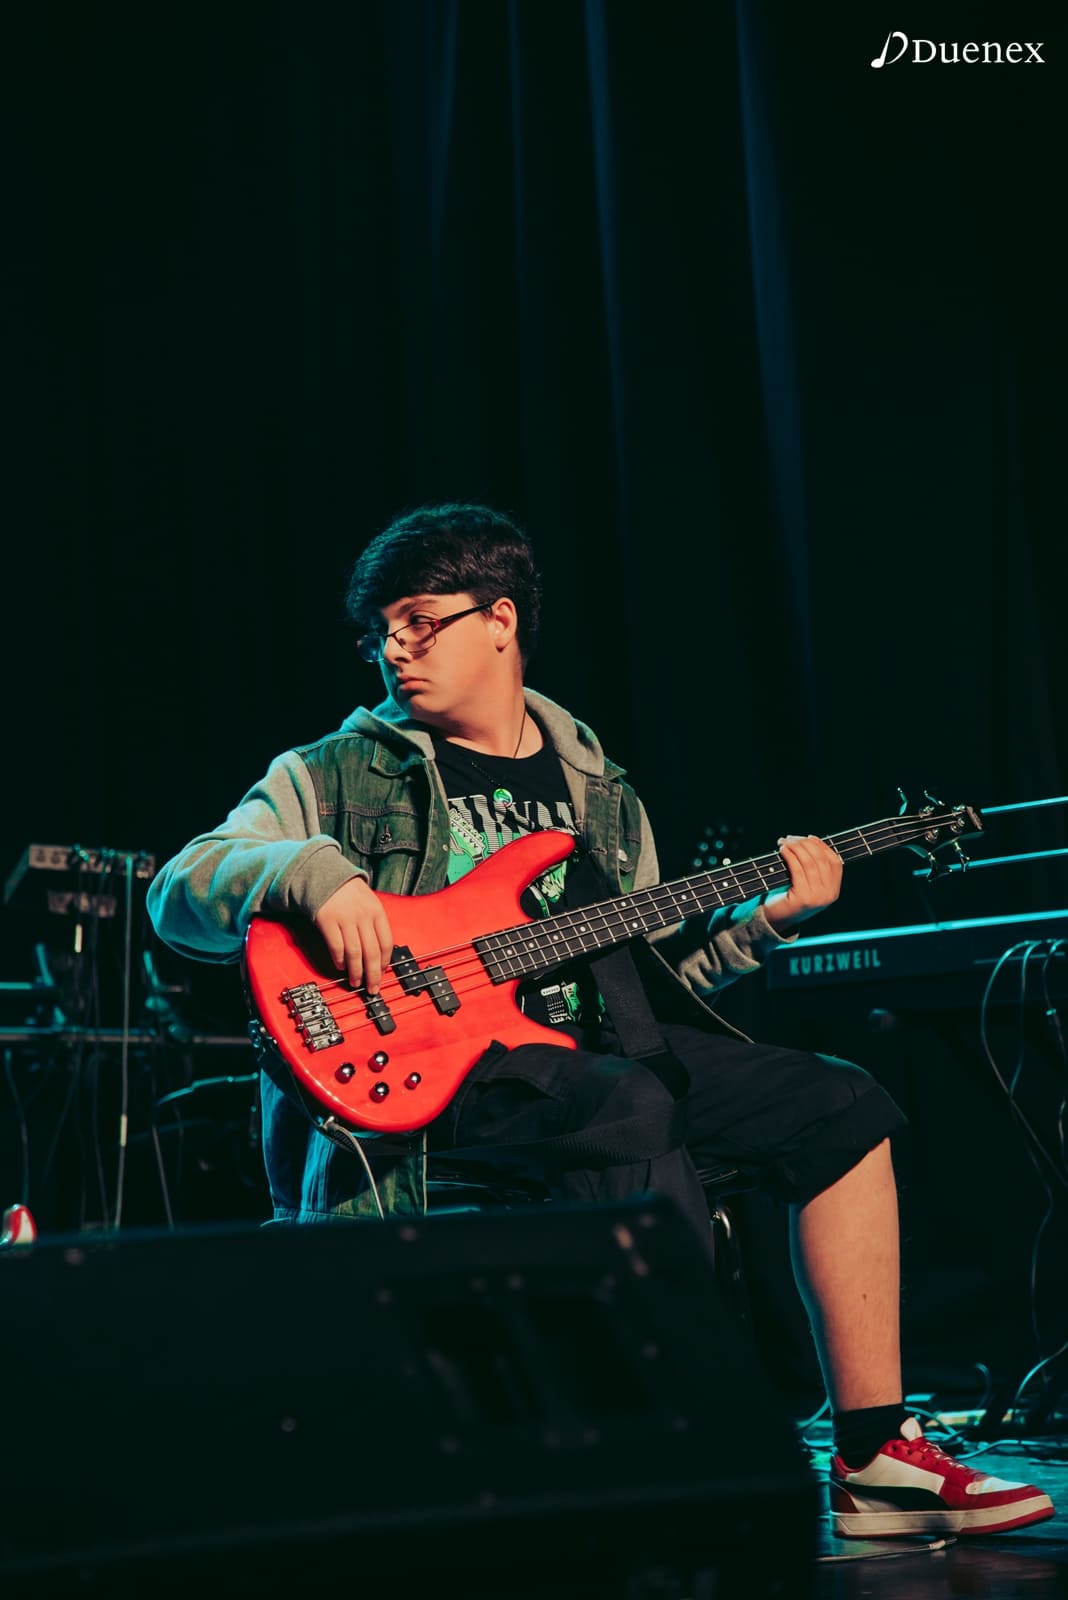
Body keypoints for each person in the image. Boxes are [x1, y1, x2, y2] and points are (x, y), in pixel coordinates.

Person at [147, 502, 1053, 1540]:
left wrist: (763, 921)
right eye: (380, 632)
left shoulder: (600, 794)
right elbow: (182, 889)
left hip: (589, 1057)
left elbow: (651, 985)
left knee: (839, 1102)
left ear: (499, 619)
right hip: (436, 1083)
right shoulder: (336, 771)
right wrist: (309, 871)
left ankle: (873, 1453)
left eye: (419, 622)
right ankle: (676, 1443)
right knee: (628, 1103)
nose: (393, 649)